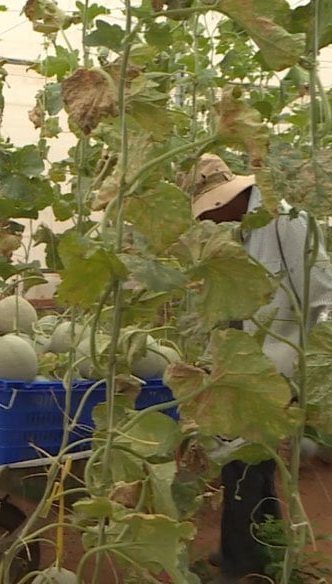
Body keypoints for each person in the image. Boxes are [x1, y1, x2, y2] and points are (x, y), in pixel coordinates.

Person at [184, 154, 332, 581]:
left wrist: (312, 365)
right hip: (252, 367)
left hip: (279, 368)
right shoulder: (249, 229)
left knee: (242, 464)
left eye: (210, 211)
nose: (210, 222)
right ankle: (262, 541)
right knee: (255, 464)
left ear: (225, 200)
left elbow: (325, 295)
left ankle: (240, 564)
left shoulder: (287, 221)